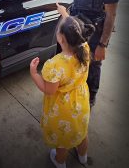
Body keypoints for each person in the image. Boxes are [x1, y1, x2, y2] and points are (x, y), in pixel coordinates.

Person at [25, 0, 122, 106]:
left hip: (93, 34)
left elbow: (111, 15)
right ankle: (62, 93)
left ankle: (88, 103)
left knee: (90, 68)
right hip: (75, 26)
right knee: (66, 61)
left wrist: (102, 45)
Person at [30, 13, 95, 168]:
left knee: (63, 140)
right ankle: (83, 157)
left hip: (63, 107)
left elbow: (49, 90)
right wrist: (64, 13)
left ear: (61, 39)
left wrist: (34, 73)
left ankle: (60, 162)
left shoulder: (54, 65)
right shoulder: (84, 48)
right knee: (81, 132)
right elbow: (73, 29)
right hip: (81, 101)